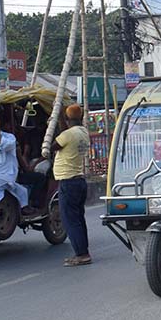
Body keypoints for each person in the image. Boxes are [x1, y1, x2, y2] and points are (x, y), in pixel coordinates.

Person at [52, 104, 91, 267]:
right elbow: (65, 134)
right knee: (78, 219)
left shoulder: (67, 135)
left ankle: (81, 254)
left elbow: (53, 145)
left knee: (70, 220)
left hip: (68, 181)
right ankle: (84, 251)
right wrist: (61, 116)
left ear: (68, 120)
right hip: (79, 180)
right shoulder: (83, 133)